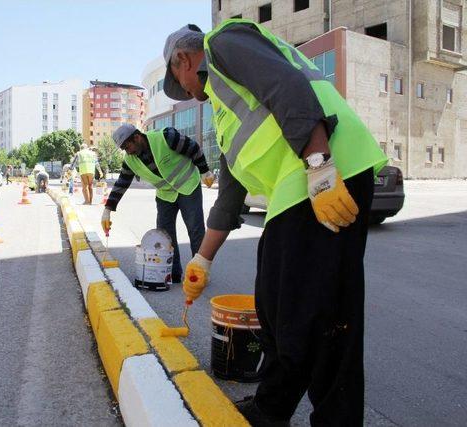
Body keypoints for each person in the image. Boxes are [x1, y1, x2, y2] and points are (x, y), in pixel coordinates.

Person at [162, 20, 388, 426]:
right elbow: (230, 196)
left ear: (183, 58)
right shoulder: (225, 106)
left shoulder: (222, 44)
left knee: (319, 316)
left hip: (324, 174)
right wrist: (202, 260)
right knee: (278, 306)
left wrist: (320, 166)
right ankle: (272, 407)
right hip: (300, 188)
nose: (188, 95)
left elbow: (284, 84)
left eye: (181, 82)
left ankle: (325, 417)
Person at [101, 124, 215, 284]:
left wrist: (205, 171)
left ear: (137, 136)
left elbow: (193, 148)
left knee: (195, 229)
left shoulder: (166, 137)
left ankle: (200, 273)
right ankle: (173, 273)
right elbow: (122, 183)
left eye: (128, 146)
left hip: (188, 185)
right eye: (124, 149)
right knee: (165, 233)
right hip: (165, 194)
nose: (128, 151)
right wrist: (107, 210)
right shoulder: (130, 160)